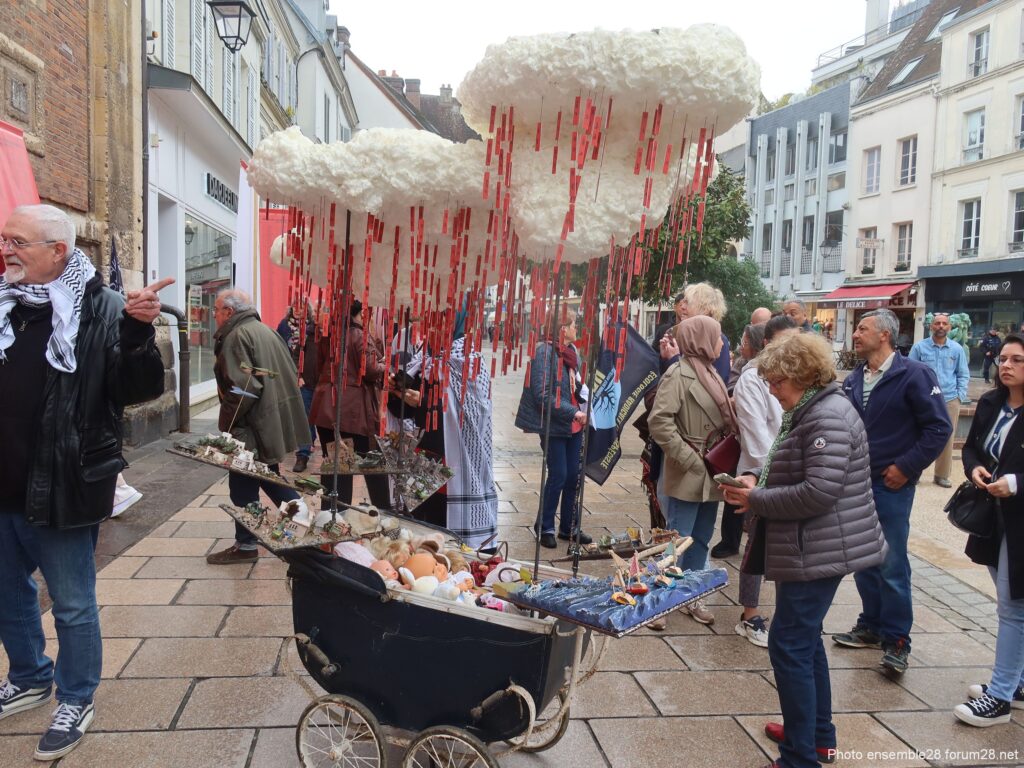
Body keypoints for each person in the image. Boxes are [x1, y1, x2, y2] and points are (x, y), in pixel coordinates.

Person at [0, 204, 167, 760]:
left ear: (58, 251)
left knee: (72, 603)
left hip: (64, 482)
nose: (6, 250)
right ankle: (28, 677)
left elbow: (137, 390)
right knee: (7, 592)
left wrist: (138, 333)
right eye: (4, 239)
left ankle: (75, 697)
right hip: (2, 483)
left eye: (17, 241)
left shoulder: (103, 307)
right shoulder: (4, 304)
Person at [721, 332, 886, 768]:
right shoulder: (816, 408)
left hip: (818, 548)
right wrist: (757, 482)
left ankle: (800, 756)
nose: (772, 390)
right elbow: (800, 474)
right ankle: (815, 736)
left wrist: (756, 498)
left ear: (802, 375)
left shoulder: (826, 416)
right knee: (804, 640)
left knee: (790, 644)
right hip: (815, 545)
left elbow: (818, 493)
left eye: (777, 382)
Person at [834, 309, 951, 674]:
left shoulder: (914, 374)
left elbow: (938, 428)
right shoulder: (854, 379)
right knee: (863, 560)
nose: (855, 334)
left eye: (862, 328)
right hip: (856, 484)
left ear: (884, 335)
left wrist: (907, 467)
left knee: (891, 563)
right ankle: (871, 624)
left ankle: (897, 640)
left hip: (890, 486)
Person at [206, 288, 310, 565]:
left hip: (251, 424)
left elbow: (244, 388)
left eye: (216, 310)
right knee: (266, 475)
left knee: (244, 484)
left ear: (229, 312)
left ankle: (248, 544)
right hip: (268, 419)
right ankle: (301, 524)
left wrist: (227, 424)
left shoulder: (236, 336)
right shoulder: (264, 330)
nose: (214, 315)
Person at [953, 334, 1024, 726]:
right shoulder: (993, 402)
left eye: (1017, 359)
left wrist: (1016, 483)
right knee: (1012, 600)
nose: (1006, 365)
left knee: (1013, 607)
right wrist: (974, 468)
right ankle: (1018, 682)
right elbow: (972, 448)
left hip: (1019, 519)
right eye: (1003, 358)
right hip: (993, 515)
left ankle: (999, 697)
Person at [648, 315, 736, 626]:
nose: (721, 343)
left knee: (700, 538)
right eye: (717, 336)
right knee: (676, 540)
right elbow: (659, 421)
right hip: (690, 468)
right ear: (701, 340)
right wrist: (688, 459)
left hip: (711, 469)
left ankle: (690, 596)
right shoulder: (678, 373)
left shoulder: (710, 372)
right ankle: (658, 600)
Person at [391, 311, 499, 548]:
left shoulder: (469, 358)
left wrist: (422, 401)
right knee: (423, 529)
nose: (434, 326)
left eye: (442, 320)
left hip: (458, 462)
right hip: (425, 458)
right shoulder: (425, 356)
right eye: (431, 319)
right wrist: (397, 391)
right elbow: (405, 411)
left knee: (450, 538)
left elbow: (474, 412)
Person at [731, 318, 798, 646]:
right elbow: (756, 434)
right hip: (761, 473)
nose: (792, 347)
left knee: (788, 546)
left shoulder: (798, 374)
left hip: (790, 474)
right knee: (756, 547)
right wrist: (773, 473)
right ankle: (750, 614)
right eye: (785, 341)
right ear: (767, 343)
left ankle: (788, 613)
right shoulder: (751, 379)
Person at [515, 308, 592, 549]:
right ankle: (545, 526)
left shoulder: (572, 352)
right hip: (554, 425)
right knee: (558, 474)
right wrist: (573, 411)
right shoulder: (544, 353)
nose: (577, 328)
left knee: (573, 477)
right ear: (563, 329)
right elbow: (542, 394)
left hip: (574, 426)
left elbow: (575, 386)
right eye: (574, 324)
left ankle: (569, 527)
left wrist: (586, 397)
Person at [310, 301, 391, 510]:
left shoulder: (329, 335)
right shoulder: (360, 336)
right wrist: (385, 365)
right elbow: (370, 370)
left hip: (326, 408)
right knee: (372, 461)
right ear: (361, 313)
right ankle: (384, 511)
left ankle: (333, 515)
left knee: (335, 465)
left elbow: (316, 367)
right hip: (353, 413)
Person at [714, 308, 778, 559]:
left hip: (758, 463)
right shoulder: (758, 371)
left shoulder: (752, 377)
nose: (741, 346)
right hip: (768, 459)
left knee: (755, 528)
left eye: (745, 341)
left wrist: (761, 471)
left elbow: (755, 430)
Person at [909, 313, 970, 488]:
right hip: (924, 398)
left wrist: (959, 396)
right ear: (931, 326)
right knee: (917, 434)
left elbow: (963, 374)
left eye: (944, 323)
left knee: (948, 437)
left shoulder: (957, 349)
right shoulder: (919, 348)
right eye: (937, 323)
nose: (941, 326)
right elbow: (910, 372)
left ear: (949, 327)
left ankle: (941, 475)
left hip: (950, 398)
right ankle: (914, 471)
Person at [276, 297, 318, 473]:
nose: (298, 309)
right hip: (301, 378)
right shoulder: (286, 326)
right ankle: (303, 453)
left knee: (314, 415)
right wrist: (295, 374)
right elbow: (283, 348)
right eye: (295, 306)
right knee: (303, 414)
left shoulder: (314, 328)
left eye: (301, 306)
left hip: (320, 381)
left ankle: (310, 440)